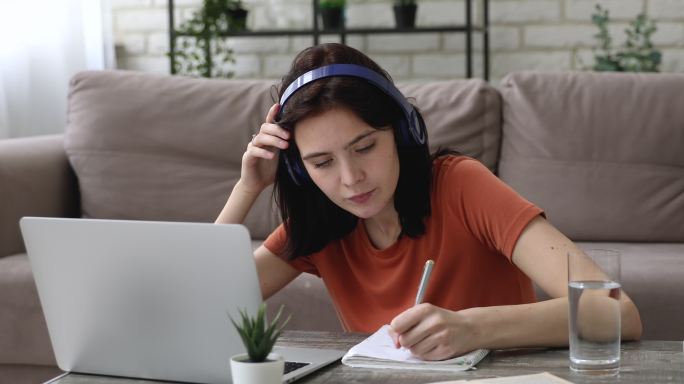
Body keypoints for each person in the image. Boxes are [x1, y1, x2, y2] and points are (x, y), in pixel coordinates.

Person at [215, 43, 642, 361]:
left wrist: (473, 327)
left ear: (403, 134)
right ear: (299, 170)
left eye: (365, 147)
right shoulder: (322, 221)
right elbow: (206, 304)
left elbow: (616, 311)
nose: (350, 179)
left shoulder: (461, 185)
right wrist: (247, 188)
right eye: (322, 162)